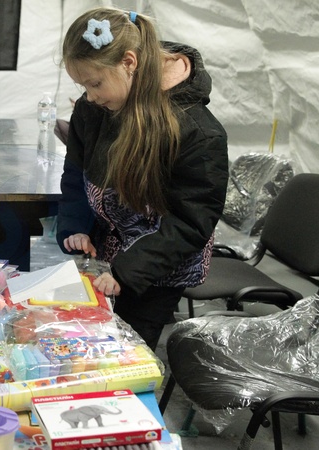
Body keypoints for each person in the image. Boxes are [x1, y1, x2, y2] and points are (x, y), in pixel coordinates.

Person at [57, 8, 229, 350]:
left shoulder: (197, 132)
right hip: (109, 249)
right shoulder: (93, 109)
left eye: (95, 83)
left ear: (129, 62)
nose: (90, 96)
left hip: (158, 267)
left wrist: (126, 272)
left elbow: (190, 221)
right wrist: (75, 225)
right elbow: (76, 172)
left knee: (127, 347)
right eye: (83, 85)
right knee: (88, 335)